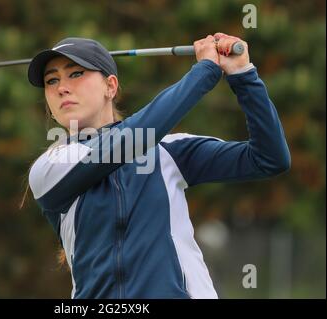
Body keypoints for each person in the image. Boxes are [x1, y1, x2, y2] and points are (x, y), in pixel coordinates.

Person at [25, 34, 290, 299]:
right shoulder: (50, 168)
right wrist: (205, 71)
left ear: (111, 86)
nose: (62, 87)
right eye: (52, 80)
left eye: (76, 73)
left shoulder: (168, 151)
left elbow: (269, 158)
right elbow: (131, 138)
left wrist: (243, 75)